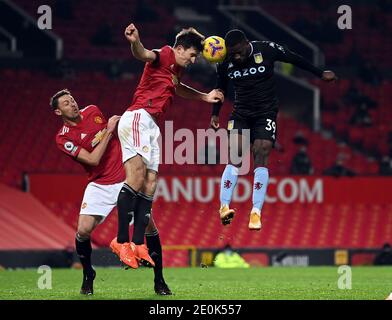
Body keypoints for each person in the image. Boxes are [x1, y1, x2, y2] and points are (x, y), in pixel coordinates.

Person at [111, 24, 224, 269]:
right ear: (180, 49)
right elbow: (143, 54)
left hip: (152, 125)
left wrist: (205, 97)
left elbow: (178, 88)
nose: (194, 61)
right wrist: (134, 41)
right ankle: (121, 241)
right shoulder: (164, 54)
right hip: (139, 116)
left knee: (150, 183)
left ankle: (139, 243)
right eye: (192, 55)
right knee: (137, 178)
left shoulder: (176, 69)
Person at [211, 29, 337, 230]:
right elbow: (220, 88)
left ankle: (256, 212)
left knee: (261, 153)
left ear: (246, 43)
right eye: (232, 53)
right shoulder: (225, 61)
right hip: (241, 114)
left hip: (265, 113)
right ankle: (224, 206)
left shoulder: (266, 49)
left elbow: (293, 58)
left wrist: (320, 72)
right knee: (235, 156)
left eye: (238, 52)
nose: (236, 56)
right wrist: (215, 113)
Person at [52, 89, 172, 296]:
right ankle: (88, 274)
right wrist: (108, 131)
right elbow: (92, 160)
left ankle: (159, 280)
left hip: (126, 178)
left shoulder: (93, 111)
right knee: (83, 230)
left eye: (72, 99)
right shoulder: (63, 138)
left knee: (149, 225)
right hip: (99, 184)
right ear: (58, 112)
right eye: (66, 103)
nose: (72, 104)